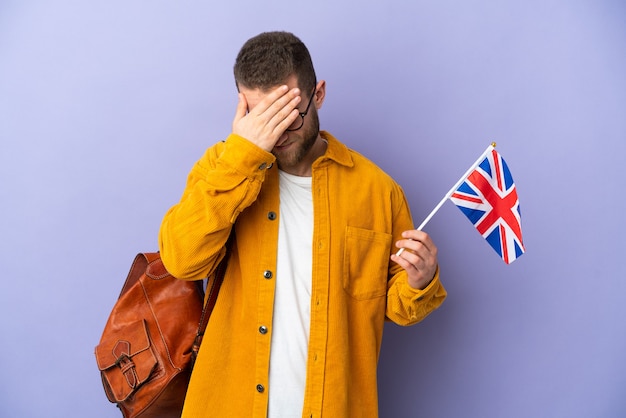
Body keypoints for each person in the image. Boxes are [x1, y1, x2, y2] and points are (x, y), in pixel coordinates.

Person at [159, 31, 447, 418]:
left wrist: (419, 280)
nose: (277, 132)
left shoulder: (378, 191)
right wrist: (244, 155)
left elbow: (396, 306)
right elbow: (182, 259)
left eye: (289, 115)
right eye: (263, 117)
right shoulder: (221, 168)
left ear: (319, 94)